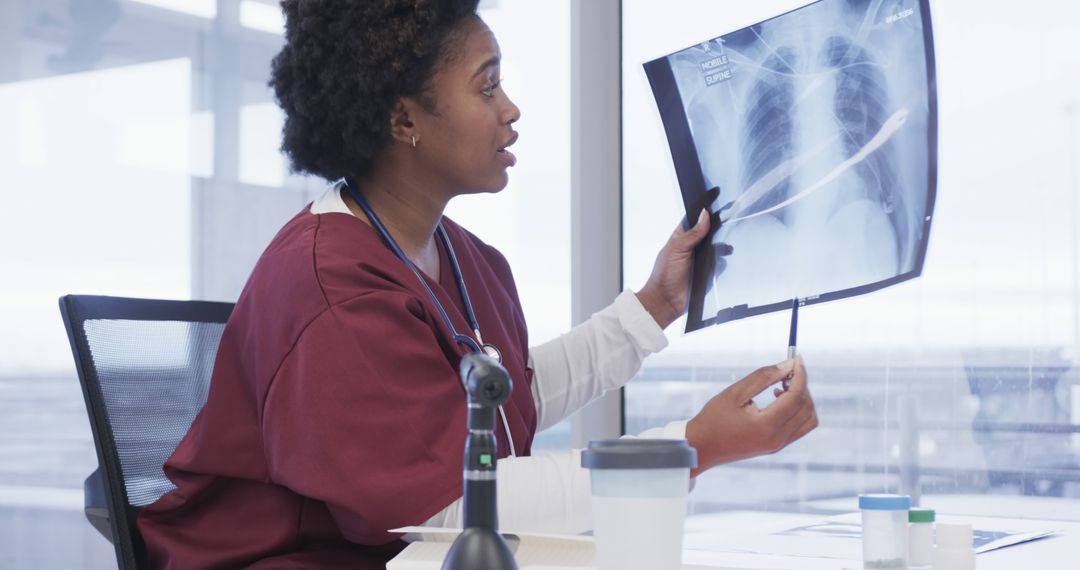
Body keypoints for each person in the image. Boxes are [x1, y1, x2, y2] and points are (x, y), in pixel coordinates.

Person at [137, 1, 818, 568]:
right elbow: (454, 505)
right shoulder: (332, 288)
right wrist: (696, 445)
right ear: (404, 120)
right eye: (486, 86)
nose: (511, 109)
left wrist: (656, 305)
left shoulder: (464, 257)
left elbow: (503, 402)